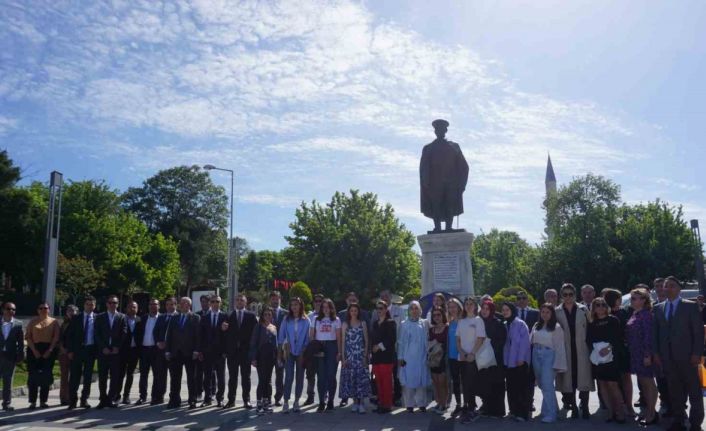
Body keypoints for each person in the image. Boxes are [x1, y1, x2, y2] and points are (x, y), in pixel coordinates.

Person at [653, 276, 704, 431]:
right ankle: (678, 421)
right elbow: (656, 333)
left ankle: (695, 423)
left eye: (672, 286)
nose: (668, 288)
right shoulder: (658, 308)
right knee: (675, 392)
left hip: (688, 357)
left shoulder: (690, 306)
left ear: (679, 289)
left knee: (694, 392)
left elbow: (698, 332)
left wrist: (697, 353)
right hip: (667, 359)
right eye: (665, 286)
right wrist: (656, 353)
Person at [555, 283, 593, 419]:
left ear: (575, 295)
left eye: (571, 294)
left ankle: (585, 407)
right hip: (565, 350)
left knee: (584, 379)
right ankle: (574, 407)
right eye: (565, 294)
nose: (568, 297)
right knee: (569, 381)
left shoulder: (583, 309)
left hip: (582, 349)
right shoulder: (556, 311)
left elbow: (591, 329)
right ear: (561, 296)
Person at [587, 297, 626, 423]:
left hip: (612, 356)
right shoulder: (592, 323)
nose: (601, 307)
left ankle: (620, 412)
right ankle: (610, 412)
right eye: (597, 305)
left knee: (613, 385)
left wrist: (608, 348)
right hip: (598, 358)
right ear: (594, 308)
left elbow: (618, 337)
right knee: (602, 385)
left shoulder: (613, 320)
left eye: (603, 304)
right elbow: (589, 340)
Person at [626, 286, 659, 426]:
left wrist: (647, 355)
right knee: (643, 384)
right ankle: (649, 411)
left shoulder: (645, 314)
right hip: (635, 353)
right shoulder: (635, 313)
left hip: (643, 354)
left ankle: (652, 413)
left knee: (648, 383)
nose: (632, 301)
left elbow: (648, 336)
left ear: (644, 300)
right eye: (632, 298)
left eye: (634, 298)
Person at [530, 303, 567, 423]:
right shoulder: (536, 325)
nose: (545, 314)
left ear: (552, 314)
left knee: (547, 384)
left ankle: (550, 414)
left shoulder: (556, 327)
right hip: (536, 354)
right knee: (542, 384)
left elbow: (560, 347)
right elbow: (530, 341)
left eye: (548, 312)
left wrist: (559, 364)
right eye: (543, 312)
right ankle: (554, 408)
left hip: (549, 355)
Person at [603, 287, 636, 417]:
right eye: (619, 298)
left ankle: (629, 406)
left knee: (626, 378)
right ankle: (617, 406)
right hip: (610, 350)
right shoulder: (604, 313)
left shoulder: (626, 311)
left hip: (623, 349)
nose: (621, 300)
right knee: (612, 381)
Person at [165, 297, 201, 409]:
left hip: (190, 353)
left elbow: (198, 336)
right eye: (181, 303)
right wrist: (167, 351)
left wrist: (196, 350)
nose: (183, 305)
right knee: (175, 378)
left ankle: (192, 400)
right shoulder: (174, 318)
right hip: (176, 352)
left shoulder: (195, 318)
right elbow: (169, 335)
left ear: (190, 305)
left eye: (186, 303)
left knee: (192, 378)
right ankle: (174, 400)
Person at [222, 293, 256, 409]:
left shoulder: (251, 316)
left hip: (245, 352)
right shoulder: (229, 315)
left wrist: (253, 352)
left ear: (245, 302)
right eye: (237, 300)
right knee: (232, 377)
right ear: (235, 302)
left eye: (242, 300)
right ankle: (231, 400)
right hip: (232, 352)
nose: (239, 302)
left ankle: (246, 400)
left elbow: (254, 335)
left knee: (246, 377)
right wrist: (223, 329)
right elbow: (225, 334)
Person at [25, 302, 60, 409]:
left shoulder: (54, 322)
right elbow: (28, 337)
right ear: (37, 310)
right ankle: (32, 402)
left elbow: (56, 337)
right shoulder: (32, 321)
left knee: (46, 377)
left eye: (45, 308)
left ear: (49, 309)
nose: (43, 310)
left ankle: (43, 401)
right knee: (33, 377)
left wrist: (50, 350)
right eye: (41, 308)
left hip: (48, 350)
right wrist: (34, 350)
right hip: (33, 350)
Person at [456, 297, 486, 423]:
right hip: (462, 357)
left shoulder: (478, 320)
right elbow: (457, 339)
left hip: (473, 357)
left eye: (471, 304)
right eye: (466, 304)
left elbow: (480, 338)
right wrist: (462, 352)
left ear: (475, 306)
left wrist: (472, 353)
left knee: (471, 384)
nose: (468, 306)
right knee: (465, 384)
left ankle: (472, 409)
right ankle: (467, 407)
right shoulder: (461, 321)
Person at [278, 297, 310, 413]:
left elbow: (308, 337)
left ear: (301, 306)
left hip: (301, 351)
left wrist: (304, 350)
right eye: (292, 305)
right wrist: (280, 352)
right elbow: (281, 336)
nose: (294, 307)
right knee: (289, 377)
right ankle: (286, 401)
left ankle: (296, 401)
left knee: (300, 377)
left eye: (296, 304)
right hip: (289, 351)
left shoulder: (306, 320)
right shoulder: (286, 319)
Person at [65, 296, 98, 409]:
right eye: (87, 304)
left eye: (92, 304)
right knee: (74, 376)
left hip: (90, 350)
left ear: (95, 306)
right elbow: (69, 336)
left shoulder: (98, 318)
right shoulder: (76, 318)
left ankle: (84, 399)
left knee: (88, 377)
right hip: (77, 351)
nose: (89, 306)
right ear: (84, 305)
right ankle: (72, 400)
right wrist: (70, 350)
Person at [398, 301, 431, 413]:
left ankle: (422, 404)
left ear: (420, 310)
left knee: (421, 381)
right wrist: (400, 357)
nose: (414, 310)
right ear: (409, 311)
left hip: (421, 355)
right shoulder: (404, 324)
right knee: (408, 381)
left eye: (416, 308)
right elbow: (401, 342)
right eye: (411, 308)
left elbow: (428, 339)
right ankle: (409, 404)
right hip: (408, 357)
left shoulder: (425, 323)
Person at [95, 295, 127, 409]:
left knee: (115, 377)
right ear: (106, 304)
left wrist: (117, 346)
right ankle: (102, 399)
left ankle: (111, 399)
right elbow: (97, 334)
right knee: (102, 377)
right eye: (110, 302)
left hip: (115, 352)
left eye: (115, 303)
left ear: (118, 304)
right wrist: (103, 347)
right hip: (103, 352)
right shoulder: (100, 317)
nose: (112, 305)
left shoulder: (122, 317)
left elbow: (124, 333)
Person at [310, 298, 341, 412]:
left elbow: (338, 337)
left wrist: (339, 352)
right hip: (320, 346)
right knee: (321, 376)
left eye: (328, 307)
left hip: (332, 346)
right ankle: (322, 401)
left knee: (331, 375)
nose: (325, 309)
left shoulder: (336, 320)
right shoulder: (315, 319)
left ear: (331, 308)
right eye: (323, 307)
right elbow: (312, 335)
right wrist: (314, 349)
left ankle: (331, 401)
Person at [339, 303, 371, 414]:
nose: (353, 312)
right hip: (349, 355)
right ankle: (355, 403)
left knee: (361, 379)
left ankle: (361, 403)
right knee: (351, 379)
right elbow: (343, 342)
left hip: (360, 355)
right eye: (351, 310)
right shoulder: (345, 324)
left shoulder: (363, 323)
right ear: (349, 312)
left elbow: (366, 341)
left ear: (358, 312)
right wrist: (343, 358)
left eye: (355, 310)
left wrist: (365, 356)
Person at [502, 302, 531, 422]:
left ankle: (523, 413)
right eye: (503, 310)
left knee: (521, 388)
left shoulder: (520, 324)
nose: (504, 312)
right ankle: (513, 411)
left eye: (507, 310)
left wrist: (520, 358)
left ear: (512, 310)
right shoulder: (504, 324)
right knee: (511, 388)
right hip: (508, 362)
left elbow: (524, 343)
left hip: (519, 361)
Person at [478, 300, 506, 418]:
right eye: (483, 308)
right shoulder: (479, 323)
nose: (484, 311)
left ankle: (498, 411)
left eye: (487, 309)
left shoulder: (498, 323)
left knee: (497, 385)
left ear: (491, 310)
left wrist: (490, 347)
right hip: (482, 359)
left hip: (495, 359)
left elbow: (502, 340)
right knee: (485, 384)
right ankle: (487, 408)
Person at [250, 306, 279, 414]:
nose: (267, 316)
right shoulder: (258, 326)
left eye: (269, 314)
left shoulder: (274, 327)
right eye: (265, 314)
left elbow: (275, 344)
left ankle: (266, 403)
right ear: (262, 315)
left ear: (272, 316)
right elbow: (253, 343)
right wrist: (253, 358)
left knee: (268, 380)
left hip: (271, 357)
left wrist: (278, 357)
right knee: (262, 380)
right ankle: (259, 404)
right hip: (260, 357)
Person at [370, 300, 397, 414]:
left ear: (386, 309)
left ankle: (388, 405)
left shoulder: (391, 322)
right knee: (378, 382)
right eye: (377, 308)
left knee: (386, 382)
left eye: (381, 308)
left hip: (386, 357)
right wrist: (372, 348)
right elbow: (373, 338)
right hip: (376, 357)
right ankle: (381, 403)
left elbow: (391, 339)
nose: (379, 310)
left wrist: (379, 346)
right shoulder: (375, 323)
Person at [200, 295, 227, 407]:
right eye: (213, 301)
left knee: (221, 377)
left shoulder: (225, 316)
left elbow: (228, 336)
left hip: (220, 352)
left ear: (221, 303)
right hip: (207, 352)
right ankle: (207, 398)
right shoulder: (205, 317)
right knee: (207, 376)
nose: (215, 303)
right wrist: (200, 351)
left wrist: (226, 351)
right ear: (210, 303)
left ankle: (220, 398)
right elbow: (201, 336)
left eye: (218, 301)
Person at [515, 292, 538, 410]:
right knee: (518, 378)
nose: (522, 300)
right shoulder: (512, 313)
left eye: (524, 298)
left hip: (531, 349)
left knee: (530, 378)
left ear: (528, 300)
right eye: (519, 298)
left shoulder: (536, 313)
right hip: (516, 350)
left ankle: (529, 402)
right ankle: (519, 402)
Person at [153, 297, 177, 405]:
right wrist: (158, 342)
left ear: (175, 305)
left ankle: (174, 397)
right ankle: (159, 396)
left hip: (174, 352)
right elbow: (155, 332)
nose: (170, 307)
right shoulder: (161, 317)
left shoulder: (179, 317)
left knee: (174, 376)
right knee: (160, 375)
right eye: (168, 304)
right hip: (161, 351)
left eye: (172, 304)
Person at [652, 277, 672, 417]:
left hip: (675, 350)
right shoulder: (653, 306)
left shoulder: (674, 304)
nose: (659, 288)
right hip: (659, 350)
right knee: (661, 379)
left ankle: (679, 406)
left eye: (662, 285)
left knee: (675, 380)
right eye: (657, 286)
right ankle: (665, 402)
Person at [136, 298, 160, 405]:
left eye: (155, 304)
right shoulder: (143, 318)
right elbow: (138, 334)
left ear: (158, 306)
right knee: (143, 375)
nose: (152, 306)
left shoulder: (162, 318)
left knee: (157, 374)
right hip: (144, 350)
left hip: (156, 350)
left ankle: (155, 396)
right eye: (151, 304)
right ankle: (142, 396)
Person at [0, 302, 24, 411]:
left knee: (8, 380)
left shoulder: (18, 324)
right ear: (3, 310)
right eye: (9, 309)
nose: (11, 311)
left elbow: (20, 342)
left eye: (13, 310)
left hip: (10, 356)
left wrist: (20, 354)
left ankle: (7, 403)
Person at [117, 301, 140, 405]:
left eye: (134, 307)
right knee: (120, 373)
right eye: (130, 307)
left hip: (134, 351)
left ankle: (126, 396)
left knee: (130, 374)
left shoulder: (140, 320)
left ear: (137, 308)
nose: (132, 309)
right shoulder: (121, 319)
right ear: (126, 308)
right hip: (122, 351)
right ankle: (117, 395)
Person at [428, 306, 448, 415]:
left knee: (442, 383)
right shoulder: (431, 329)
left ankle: (444, 404)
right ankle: (439, 403)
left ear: (443, 315)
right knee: (435, 383)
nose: (436, 317)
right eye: (434, 315)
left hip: (443, 359)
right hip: (433, 360)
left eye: (438, 315)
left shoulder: (447, 328)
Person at [304, 294, 324, 406]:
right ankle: (310, 396)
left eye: (320, 301)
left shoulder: (327, 316)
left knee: (322, 375)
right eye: (316, 301)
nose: (318, 303)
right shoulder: (309, 316)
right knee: (310, 375)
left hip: (322, 349)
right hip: (311, 349)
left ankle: (323, 397)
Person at [269, 291, 288, 406]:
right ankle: (267, 397)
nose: (275, 301)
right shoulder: (265, 312)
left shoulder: (286, 313)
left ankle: (278, 397)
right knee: (266, 375)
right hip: (268, 349)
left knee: (280, 375)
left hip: (281, 349)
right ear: (270, 300)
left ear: (280, 299)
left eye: (277, 299)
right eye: (273, 299)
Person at [446, 298, 464, 416]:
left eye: (454, 307)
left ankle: (467, 405)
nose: (452, 309)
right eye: (450, 307)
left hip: (462, 356)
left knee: (465, 381)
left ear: (459, 308)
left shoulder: (463, 322)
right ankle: (458, 404)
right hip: (452, 357)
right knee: (456, 382)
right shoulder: (450, 323)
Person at [58, 304, 78, 406]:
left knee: (73, 377)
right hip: (63, 353)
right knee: (64, 376)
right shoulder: (64, 324)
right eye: (69, 310)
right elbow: (60, 338)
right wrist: (62, 348)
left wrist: (72, 351)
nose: (71, 312)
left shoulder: (79, 323)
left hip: (74, 353)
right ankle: (63, 397)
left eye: (73, 310)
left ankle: (72, 397)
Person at [195, 294, 211, 402]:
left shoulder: (214, 314)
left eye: (206, 302)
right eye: (202, 302)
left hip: (211, 349)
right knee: (199, 372)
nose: (204, 304)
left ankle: (211, 392)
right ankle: (198, 392)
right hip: (199, 348)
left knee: (210, 373)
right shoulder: (197, 315)